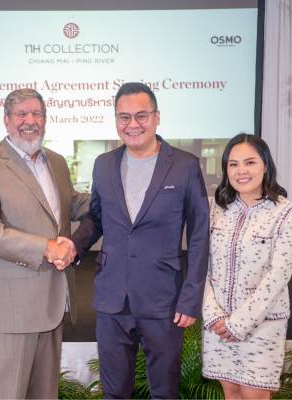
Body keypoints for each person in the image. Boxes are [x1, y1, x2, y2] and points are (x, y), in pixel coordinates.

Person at [71, 82, 210, 398]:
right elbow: (97, 218)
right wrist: (74, 245)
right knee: (114, 393)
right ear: (116, 120)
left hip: (164, 299)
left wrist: (191, 297)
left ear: (157, 117)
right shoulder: (103, 165)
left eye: (141, 116)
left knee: (164, 392)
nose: (132, 124)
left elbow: (200, 234)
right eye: (124, 117)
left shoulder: (185, 165)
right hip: (112, 299)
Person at [0, 88, 90, 399]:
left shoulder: (56, 162)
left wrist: (117, 191)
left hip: (53, 303)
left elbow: (71, 204)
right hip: (11, 311)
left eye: (37, 114)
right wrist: (47, 247)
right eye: (21, 114)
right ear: (6, 120)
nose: (30, 121)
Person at [202, 133, 292, 399]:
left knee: (255, 395)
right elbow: (202, 265)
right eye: (233, 164)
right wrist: (213, 315)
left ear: (265, 165)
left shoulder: (283, 211)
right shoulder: (214, 209)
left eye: (250, 162)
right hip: (219, 324)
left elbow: (279, 274)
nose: (241, 171)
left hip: (261, 325)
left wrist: (240, 323)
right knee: (231, 392)